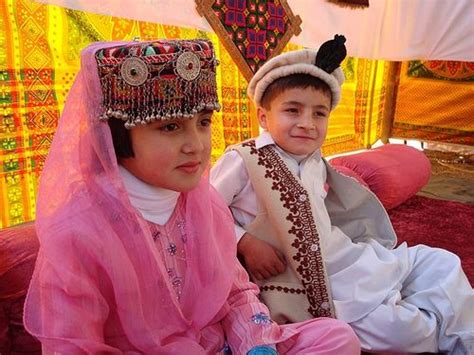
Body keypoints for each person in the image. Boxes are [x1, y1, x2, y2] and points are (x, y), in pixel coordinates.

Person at [23, 39, 360, 355]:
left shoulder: (205, 202)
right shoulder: (77, 232)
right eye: (170, 127)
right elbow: (73, 346)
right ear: (117, 134)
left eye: (202, 122)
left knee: (336, 336)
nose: (196, 145)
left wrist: (256, 344)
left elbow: (236, 295)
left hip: (221, 343)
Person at [211, 35, 474, 354]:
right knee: (399, 331)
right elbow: (203, 210)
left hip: (346, 258)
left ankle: (460, 334)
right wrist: (245, 242)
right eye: (292, 110)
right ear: (263, 117)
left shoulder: (313, 161)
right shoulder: (243, 158)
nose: (307, 123)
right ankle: (442, 327)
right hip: (313, 284)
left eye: (319, 114)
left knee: (440, 262)